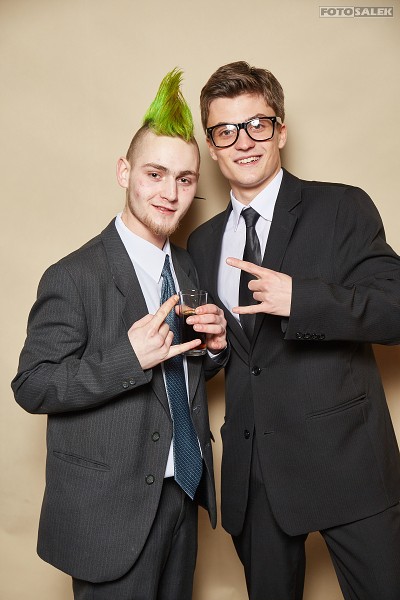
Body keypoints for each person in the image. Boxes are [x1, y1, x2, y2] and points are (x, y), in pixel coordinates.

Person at [187, 61, 400, 600]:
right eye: (226, 130)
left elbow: (396, 309)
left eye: (257, 124)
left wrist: (302, 300)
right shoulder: (203, 243)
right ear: (212, 146)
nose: (243, 141)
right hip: (255, 477)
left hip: (348, 465)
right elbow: (229, 357)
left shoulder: (341, 207)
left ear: (280, 130)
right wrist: (212, 348)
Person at [12, 69, 227, 600]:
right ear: (124, 171)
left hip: (182, 495)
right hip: (108, 514)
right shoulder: (73, 276)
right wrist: (126, 358)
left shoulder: (187, 268)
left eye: (185, 180)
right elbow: (32, 385)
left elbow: (180, 375)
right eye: (155, 174)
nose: (170, 193)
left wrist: (213, 351)